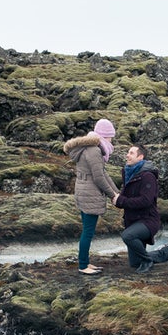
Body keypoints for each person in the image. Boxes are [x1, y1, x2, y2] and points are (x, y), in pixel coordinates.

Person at [63, 118, 120, 275]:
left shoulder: (89, 148)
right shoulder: (94, 150)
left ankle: (85, 262)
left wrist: (116, 193)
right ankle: (83, 265)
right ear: (103, 135)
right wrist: (112, 195)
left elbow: (103, 173)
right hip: (89, 194)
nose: (111, 140)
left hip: (83, 191)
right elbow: (99, 177)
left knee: (87, 230)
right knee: (88, 231)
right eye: (110, 136)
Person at [113, 144, 168, 273]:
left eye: (131, 153)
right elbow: (126, 197)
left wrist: (121, 200)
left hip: (148, 221)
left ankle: (147, 261)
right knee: (135, 263)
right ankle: (167, 252)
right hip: (132, 221)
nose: (127, 155)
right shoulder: (128, 173)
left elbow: (146, 201)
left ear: (140, 157)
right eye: (128, 152)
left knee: (127, 236)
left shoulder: (148, 176)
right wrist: (118, 200)